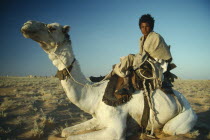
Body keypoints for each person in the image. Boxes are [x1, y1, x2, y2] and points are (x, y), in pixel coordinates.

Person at [112, 14, 176, 94]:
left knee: (129, 60)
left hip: (156, 61)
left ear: (151, 27)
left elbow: (151, 53)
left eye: (147, 26)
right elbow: (143, 53)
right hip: (146, 58)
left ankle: (128, 86)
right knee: (127, 59)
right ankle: (108, 77)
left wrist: (137, 59)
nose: (144, 29)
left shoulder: (155, 37)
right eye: (142, 27)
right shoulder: (142, 39)